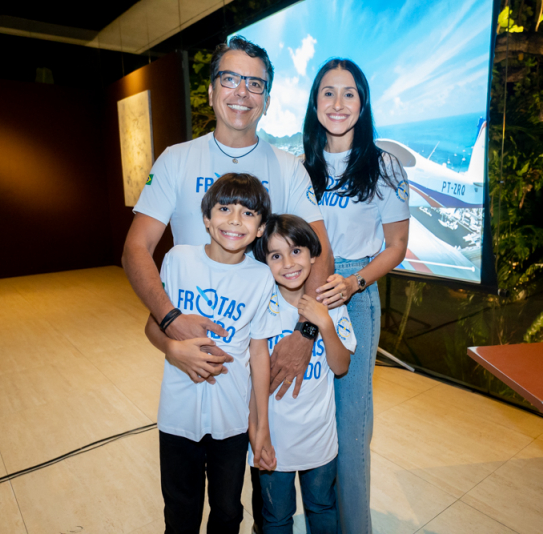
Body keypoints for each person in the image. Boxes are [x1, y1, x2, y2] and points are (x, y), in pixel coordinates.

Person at [121, 36, 333, 530]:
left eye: (255, 83)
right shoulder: (176, 159)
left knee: (254, 496)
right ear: (212, 90)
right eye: (231, 79)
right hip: (188, 352)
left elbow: (320, 254)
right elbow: (136, 249)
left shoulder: (288, 167)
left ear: (266, 98)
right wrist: (171, 324)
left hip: (266, 352)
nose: (242, 92)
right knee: (184, 500)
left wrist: (304, 335)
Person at [303, 59, 411, 534]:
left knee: (350, 427)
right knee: (310, 418)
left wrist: (352, 284)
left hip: (356, 293)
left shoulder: (384, 166)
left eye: (349, 93)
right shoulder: (301, 166)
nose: (338, 103)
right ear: (315, 103)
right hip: (305, 292)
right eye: (328, 92)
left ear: (363, 104)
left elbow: (397, 247)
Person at [146, 173, 280, 533]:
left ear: (260, 228)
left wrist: (261, 426)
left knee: (228, 511)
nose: (235, 220)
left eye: (248, 213)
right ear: (206, 218)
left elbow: (259, 354)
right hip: (178, 415)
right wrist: (173, 348)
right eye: (224, 209)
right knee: (180, 513)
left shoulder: (262, 278)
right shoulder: (178, 259)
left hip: (231, 419)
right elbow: (151, 326)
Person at [249, 214, 356, 533]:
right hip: (273, 440)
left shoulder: (331, 305)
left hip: (319, 439)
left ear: (312, 254)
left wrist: (324, 323)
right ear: (264, 262)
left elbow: (341, 366)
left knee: (322, 508)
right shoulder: (261, 306)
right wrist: (258, 434)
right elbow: (252, 382)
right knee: (276, 517)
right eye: (276, 255)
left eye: (296, 251)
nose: (288, 264)